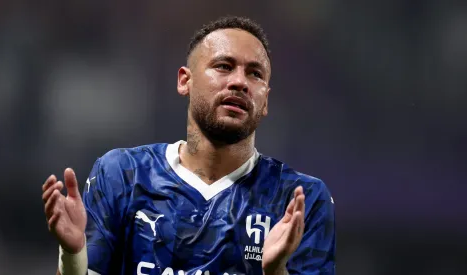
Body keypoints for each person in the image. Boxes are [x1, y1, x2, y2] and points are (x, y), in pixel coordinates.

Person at [42, 15, 336, 275]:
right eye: (224, 66)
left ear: (266, 99)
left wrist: (276, 273)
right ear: (185, 81)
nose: (240, 82)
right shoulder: (123, 176)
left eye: (255, 74)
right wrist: (72, 255)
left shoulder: (299, 200)